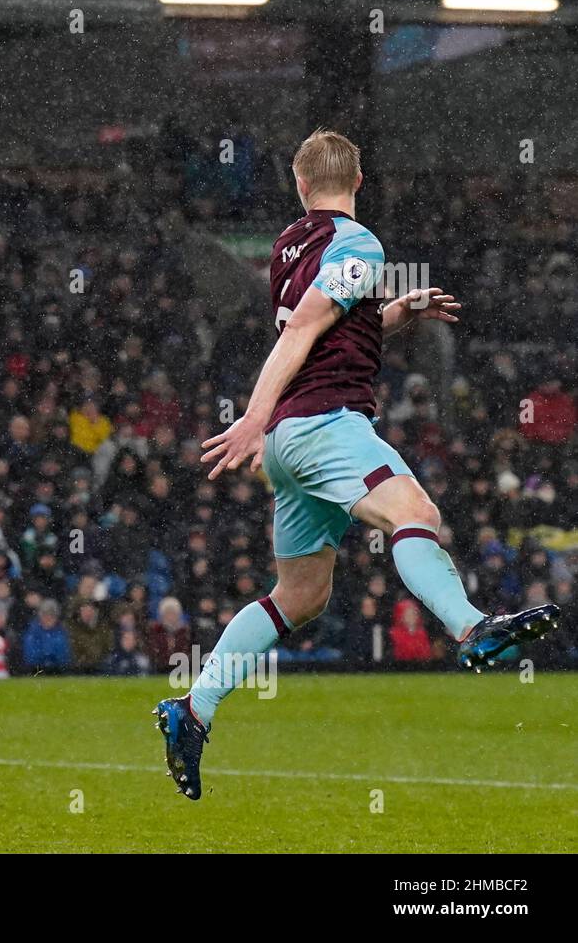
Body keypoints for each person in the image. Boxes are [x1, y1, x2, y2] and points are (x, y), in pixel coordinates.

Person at [155, 129, 562, 800]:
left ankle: (192, 710)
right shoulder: (358, 242)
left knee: (301, 595)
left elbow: (329, 327)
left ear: (299, 183)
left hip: (290, 442)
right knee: (416, 512)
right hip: (323, 424)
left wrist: (392, 313)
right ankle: (471, 626)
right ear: (360, 181)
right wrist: (254, 414)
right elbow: (306, 329)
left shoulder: (289, 245)